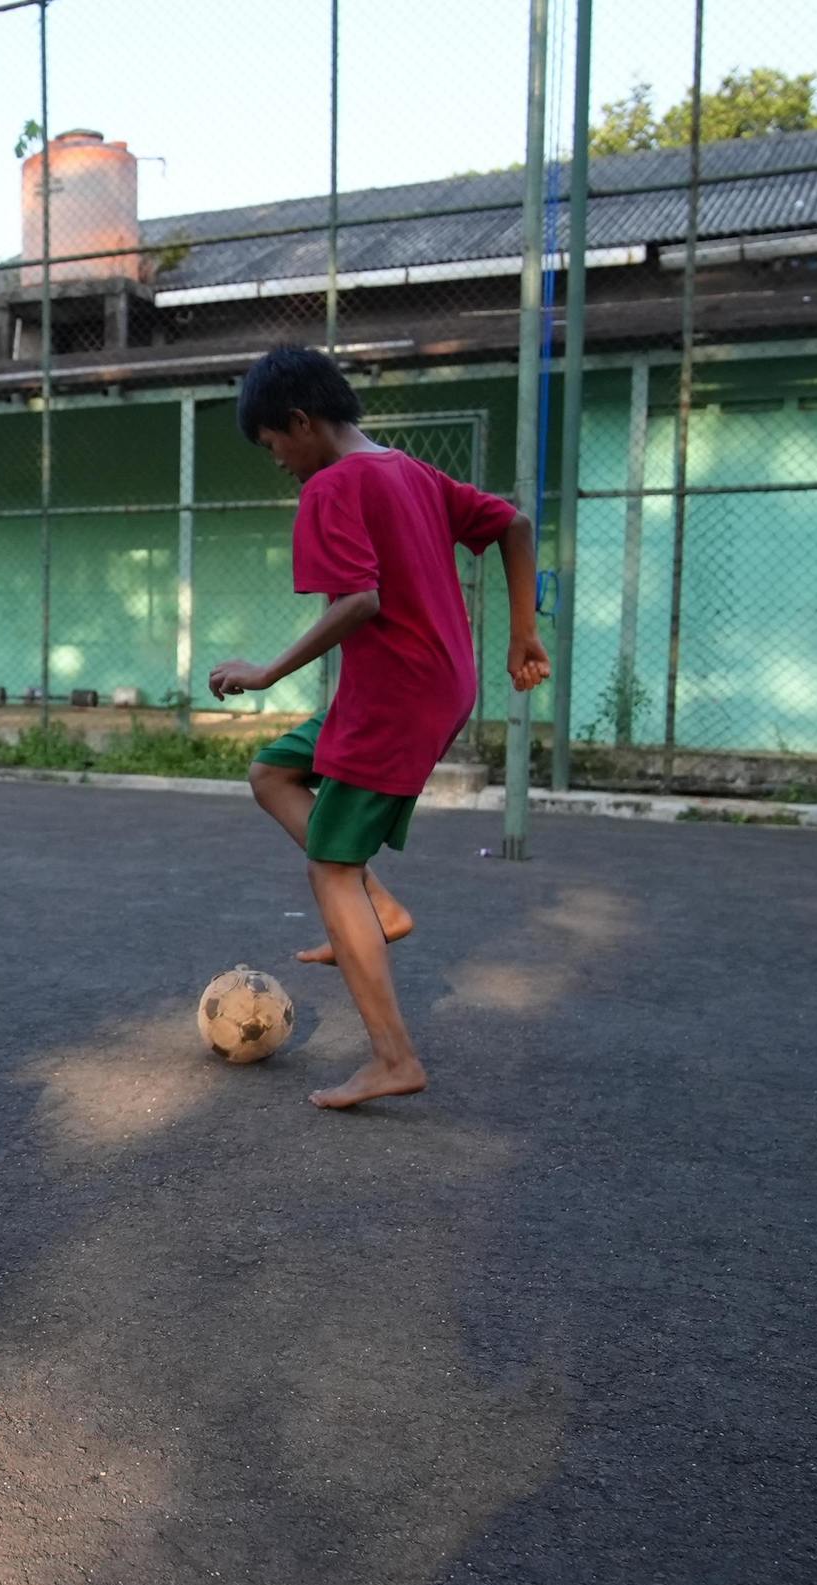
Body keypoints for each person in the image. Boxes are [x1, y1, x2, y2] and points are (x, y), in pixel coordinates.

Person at [209, 346, 549, 1111]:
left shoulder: (332, 486)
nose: (278, 460)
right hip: (426, 683)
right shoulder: (411, 471)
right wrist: (523, 633)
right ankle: (381, 908)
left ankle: (394, 1058)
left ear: (301, 421)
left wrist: (266, 672)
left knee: (330, 869)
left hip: (397, 694)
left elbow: (359, 600)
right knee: (272, 772)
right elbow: (516, 524)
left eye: (272, 443)